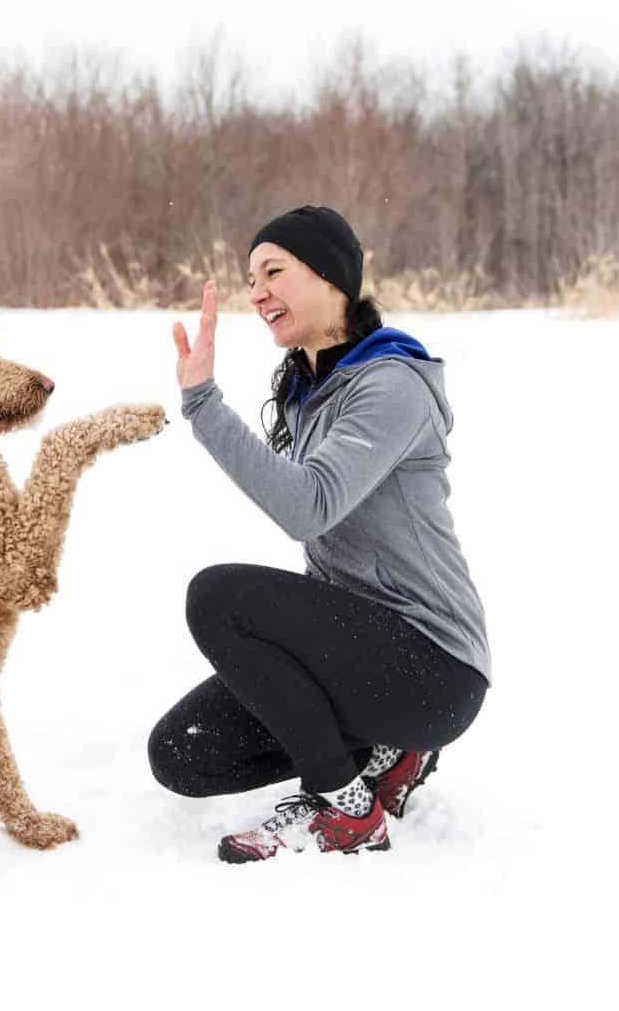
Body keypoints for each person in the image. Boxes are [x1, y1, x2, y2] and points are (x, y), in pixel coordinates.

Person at [151, 205, 490, 863]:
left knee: (218, 598)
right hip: (368, 658)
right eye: (250, 278)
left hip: (435, 665)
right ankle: (382, 754)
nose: (257, 293)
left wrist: (202, 404)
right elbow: (331, 553)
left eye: (274, 271)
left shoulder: (392, 384)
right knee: (182, 755)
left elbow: (308, 510)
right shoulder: (309, 390)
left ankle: (346, 805)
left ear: (332, 279)